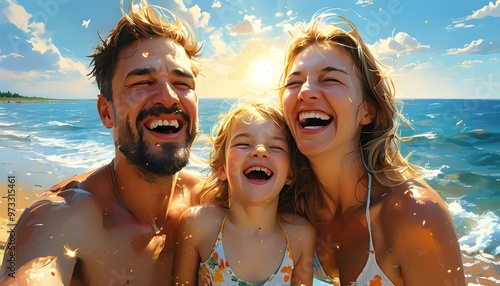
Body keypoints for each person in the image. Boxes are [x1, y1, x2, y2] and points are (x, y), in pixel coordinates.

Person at [0, 0, 202, 284]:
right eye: (142, 82)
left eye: (183, 84)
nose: (169, 97)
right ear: (107, 112)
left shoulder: (211, 201)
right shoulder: (68, 216)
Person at [279, 13, 465, 285]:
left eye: (330, 79)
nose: (306, 91)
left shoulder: (414, 214)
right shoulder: (285, 203)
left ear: (367, 110)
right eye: (294, 82)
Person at [173, 99, 316, 285]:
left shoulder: (300, 236)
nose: (260, 151)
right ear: (221, 168)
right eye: (243, 144)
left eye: (276, 147)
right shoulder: (199, 226)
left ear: (290, 173)